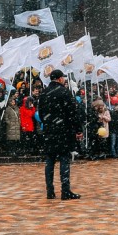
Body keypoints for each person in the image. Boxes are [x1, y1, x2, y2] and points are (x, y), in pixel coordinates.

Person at [37, 69, 80, 200]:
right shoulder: (64, 92)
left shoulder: (44, 93)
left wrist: (48, 124)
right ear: (60, 79)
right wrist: (78, 129)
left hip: (49, 131)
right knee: (64, 159)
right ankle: (65, 190)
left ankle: (50, 190)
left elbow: (41, 113)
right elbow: (73, 112)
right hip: (63, 131)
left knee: (49, 160)